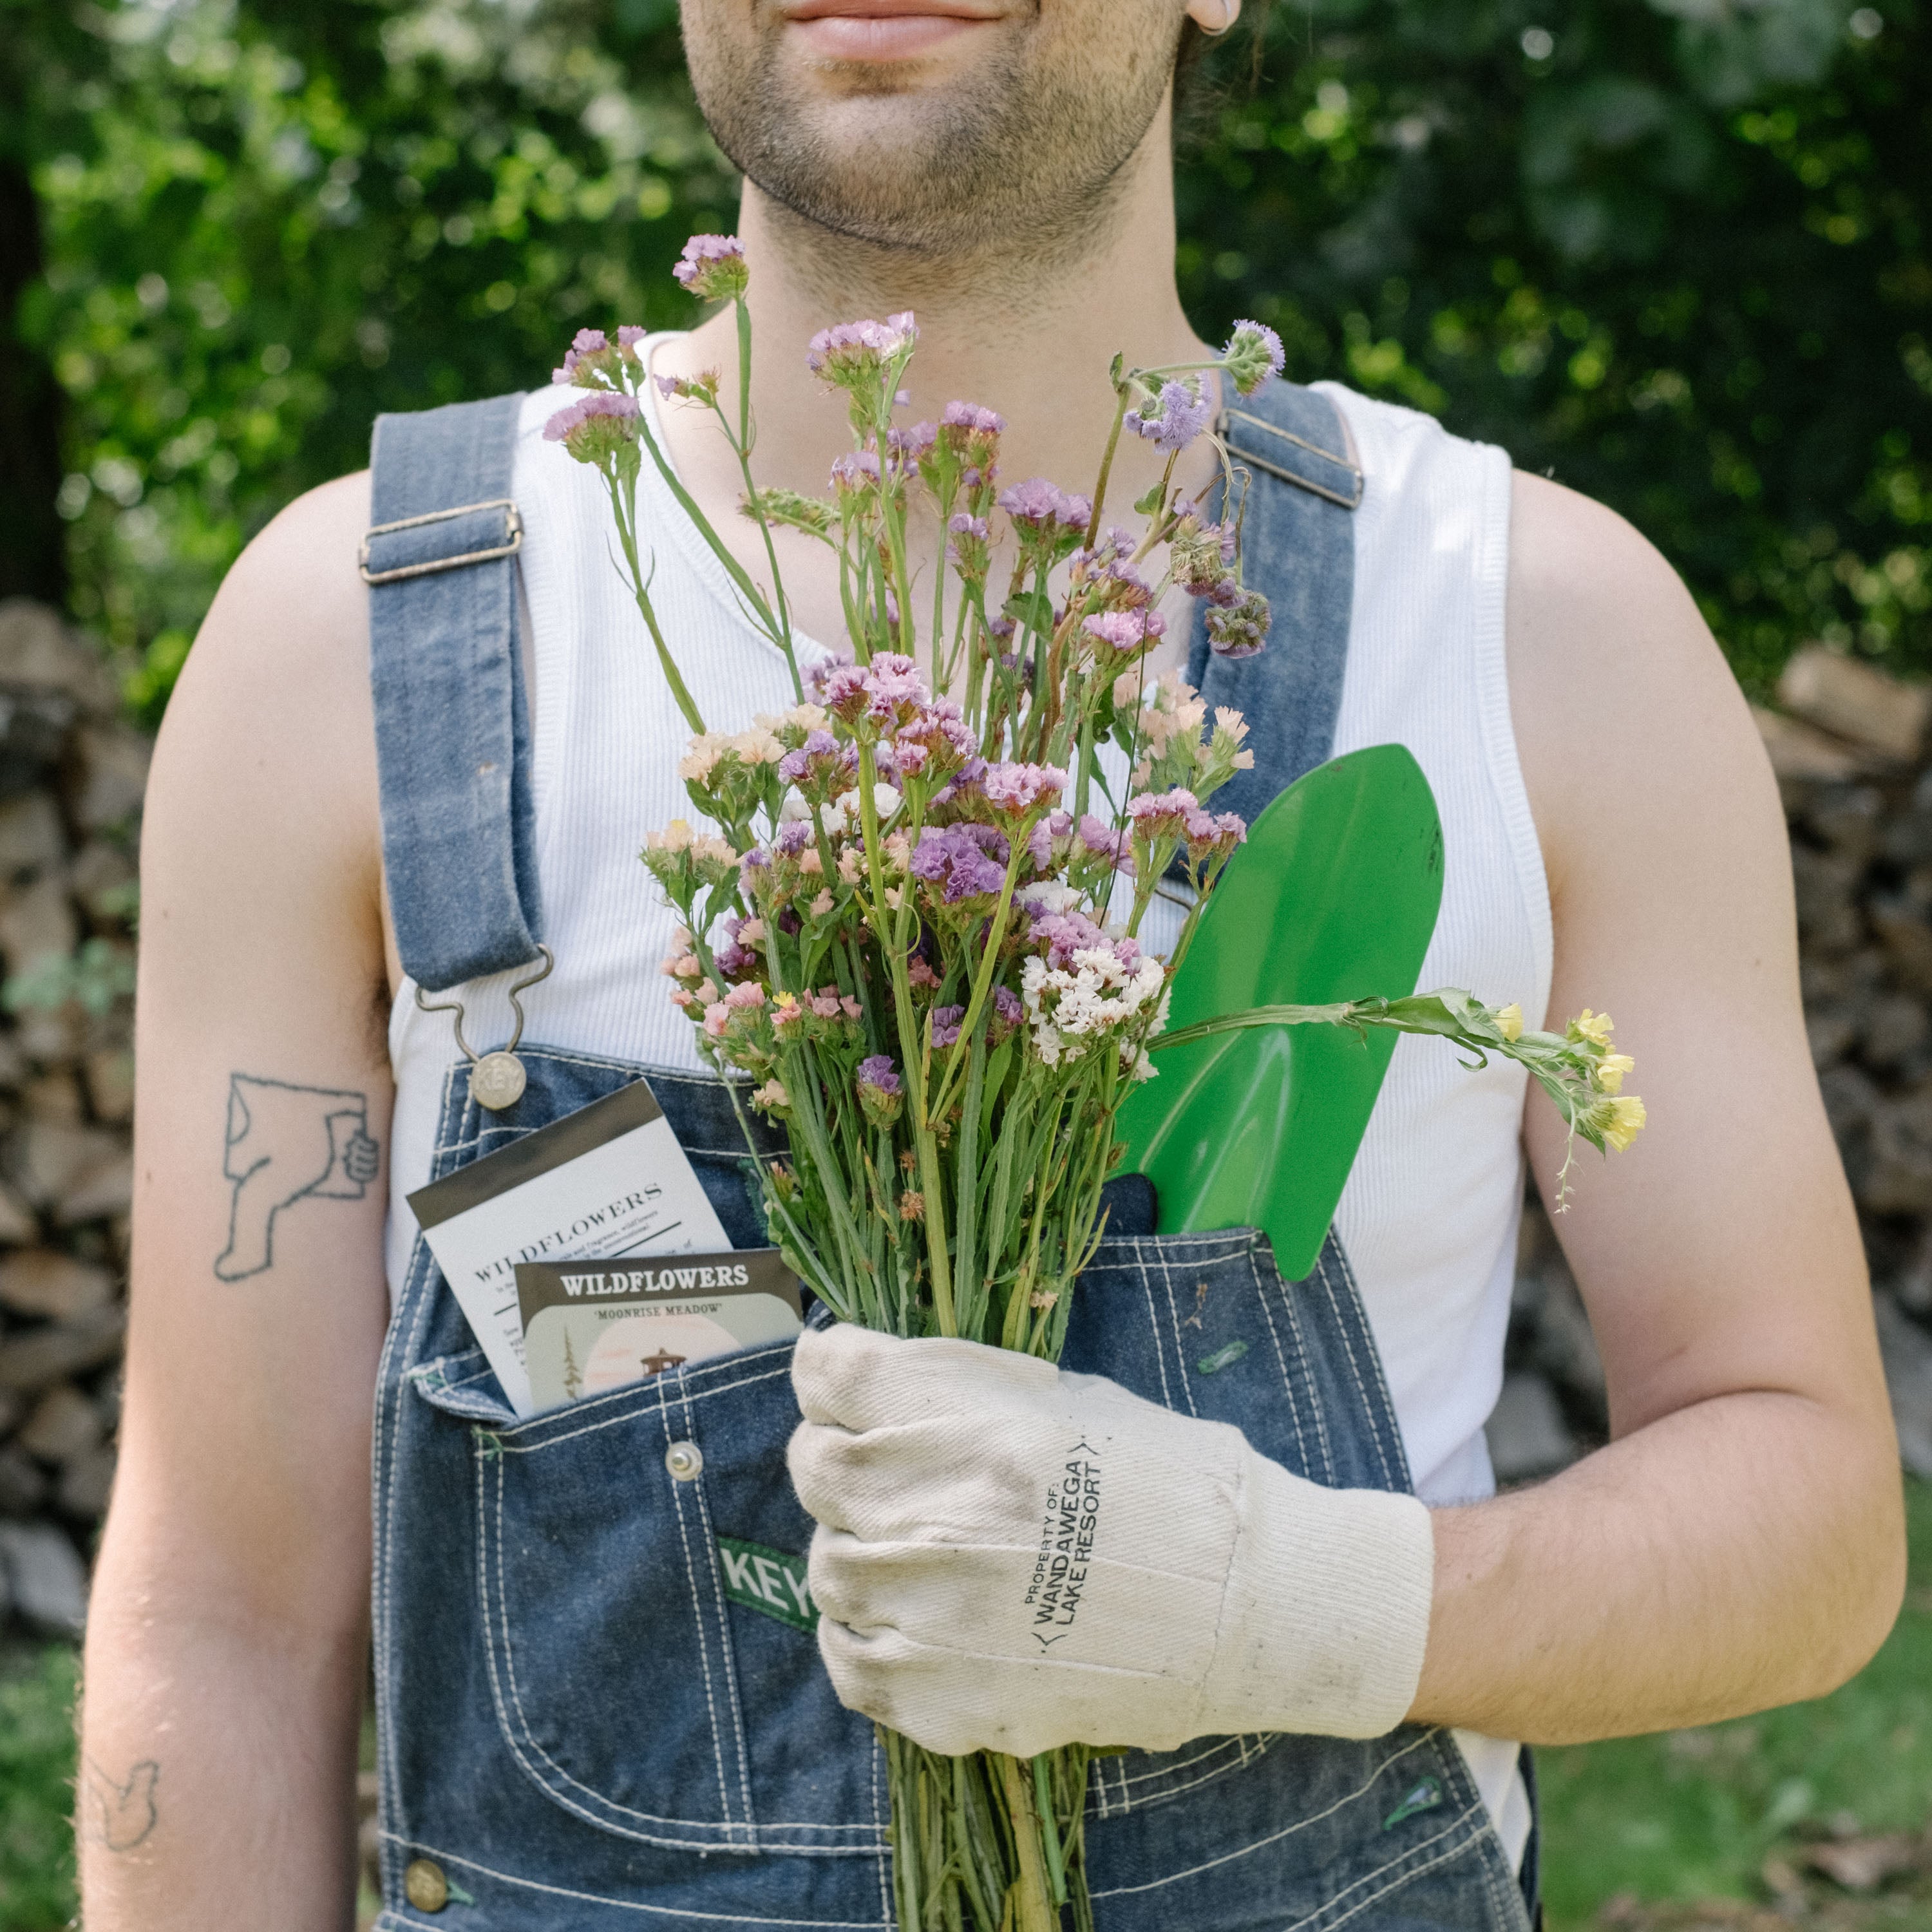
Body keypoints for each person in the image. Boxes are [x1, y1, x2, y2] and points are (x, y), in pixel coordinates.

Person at [80, 0, 1903, 1924]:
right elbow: (222, 1611)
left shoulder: (1544, 637)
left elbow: (1809, 1519)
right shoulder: (348, 651)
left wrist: (1285, 1601)